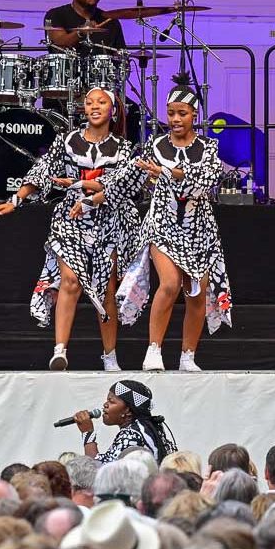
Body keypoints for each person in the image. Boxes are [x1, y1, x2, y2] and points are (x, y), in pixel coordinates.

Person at [0, 88, 137, 371]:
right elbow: (42, 170)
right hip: (71, 219)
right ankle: (60, 350)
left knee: (106, 289)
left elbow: (118, 186)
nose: (94, 107)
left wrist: (82, 187)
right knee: (70, 280)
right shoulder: (67, 141)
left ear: (113, 109)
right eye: (89, 102)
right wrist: (16, 200)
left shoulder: (124, 149)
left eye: (101, 102)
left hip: (109, 221)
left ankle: (110, 356)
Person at [115, 72, 232, 372]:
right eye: (170, 113)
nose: (175, 118)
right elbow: (128, 182)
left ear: (194, 114)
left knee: (197, 291)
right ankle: (153, 350)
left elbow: (204, 182)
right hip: (163, 224)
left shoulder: (209, 149)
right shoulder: (155, 147)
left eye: (182, 113)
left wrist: (168, 174)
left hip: (199, 229)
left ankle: (188, 356)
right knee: (169, 283)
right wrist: (95, 196)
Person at [72, 379, 177, 464]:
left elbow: (96, 469)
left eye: (111, 401)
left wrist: (88, 433)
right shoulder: (144, 428)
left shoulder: (132, 435)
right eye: (107, 400)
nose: (105, 405)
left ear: (128, 410)